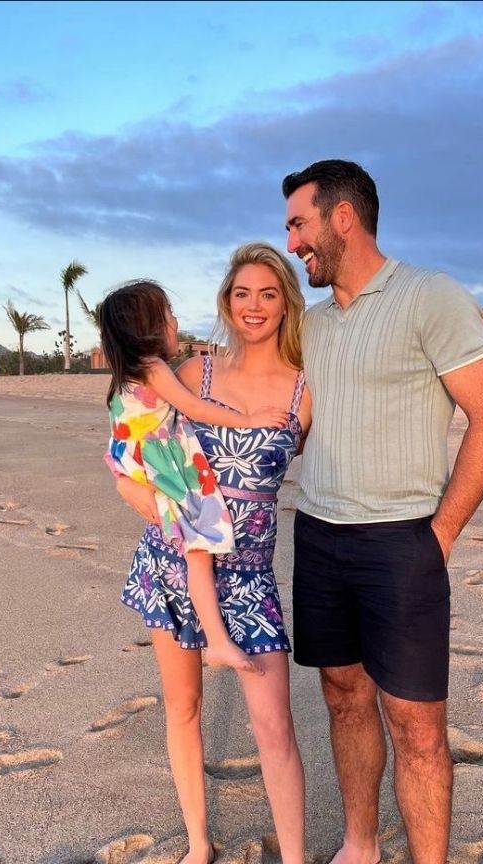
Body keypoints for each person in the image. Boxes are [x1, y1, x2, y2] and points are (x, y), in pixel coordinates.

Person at [282, 160, 483, 864]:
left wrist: (439, 535)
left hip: (402, 541)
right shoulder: (313, 325)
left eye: (299, 224)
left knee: (415, 723)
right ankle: (361, 845)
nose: (292, 243)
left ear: (342, 217)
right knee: (343, 696)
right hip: (318, 536)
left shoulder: (430, 297)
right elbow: (296, 425)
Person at [115, 243, 311, 864]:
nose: (254, 306)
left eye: (268, 294)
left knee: (275, 727)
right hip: (173, 564)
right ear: (227, 301)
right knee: (184, 707)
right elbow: (133, 433)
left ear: (286, 304)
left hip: (250, 577)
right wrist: (127, 486)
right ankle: (199, 844)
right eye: (242, 293)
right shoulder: (193, 370)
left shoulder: (307, 388)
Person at [100, 279, 289, 675]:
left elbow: (121, 435)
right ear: (147, 328)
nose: (175, 322)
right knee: (199, 552)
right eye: (167, 315)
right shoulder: (153, 369)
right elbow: (195, 408)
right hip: (165, 471)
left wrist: (123, 477)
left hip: (136, 465)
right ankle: (217, 641)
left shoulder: (125, 378)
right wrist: (249, 420)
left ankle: (215, 640)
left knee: (194, 554)